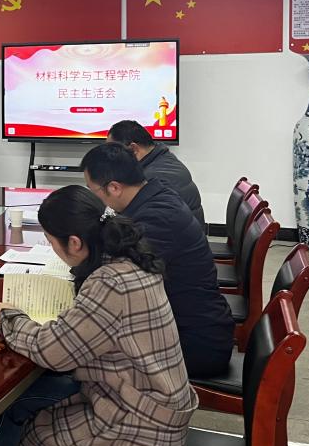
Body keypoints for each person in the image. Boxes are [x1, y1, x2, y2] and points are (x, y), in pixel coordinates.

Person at [0, 185, 197, 446]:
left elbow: (51, 351)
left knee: (34, 440)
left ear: (74, 242)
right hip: (150, 409)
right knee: (39, 412)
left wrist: (9, 317)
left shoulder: (110, 282)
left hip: (142, 431)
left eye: (51, 243)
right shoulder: (129, 259)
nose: (54, 251)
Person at [81, 142, 234, 377]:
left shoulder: (155, 219)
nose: (96, 199)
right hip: (192, 326)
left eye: (94, 191)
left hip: (197, 344)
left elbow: (116, 279)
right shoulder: (155, 194)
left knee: (84, 353)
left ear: (114, 187)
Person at [108, 119, 205, 227]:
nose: (111, 159)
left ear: (133, 149)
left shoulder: (152, 179)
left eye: (113, 152)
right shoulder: (164, 159)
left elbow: (133, 223)